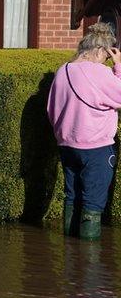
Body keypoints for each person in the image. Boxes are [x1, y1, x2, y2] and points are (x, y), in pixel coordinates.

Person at [46, 22, 121, 241]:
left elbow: (51, 109)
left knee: (72, 199)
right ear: (100, 51)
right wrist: (118, 67)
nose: (106, 61)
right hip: (96, 148)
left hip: (67, 146)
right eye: (106, 57)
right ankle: (89, 265)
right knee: (92, 205)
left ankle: (70, 259)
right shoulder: (98, 72)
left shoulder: (62, 71)